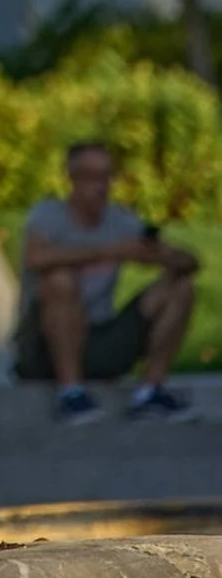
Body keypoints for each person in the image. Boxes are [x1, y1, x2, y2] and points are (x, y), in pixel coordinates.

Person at [15, 140, 200, 424]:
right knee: (61, 281)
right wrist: (109, 252)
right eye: (91, 177)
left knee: (180, 288)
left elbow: (188, 262)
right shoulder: (49, 215)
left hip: (101, 339)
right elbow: (35, 258)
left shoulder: (120, 220)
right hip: (42, 347)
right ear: (72, 179)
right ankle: (71, 393)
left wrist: (162, 257)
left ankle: (150, 392)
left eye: (106, 176)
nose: (100, 186)